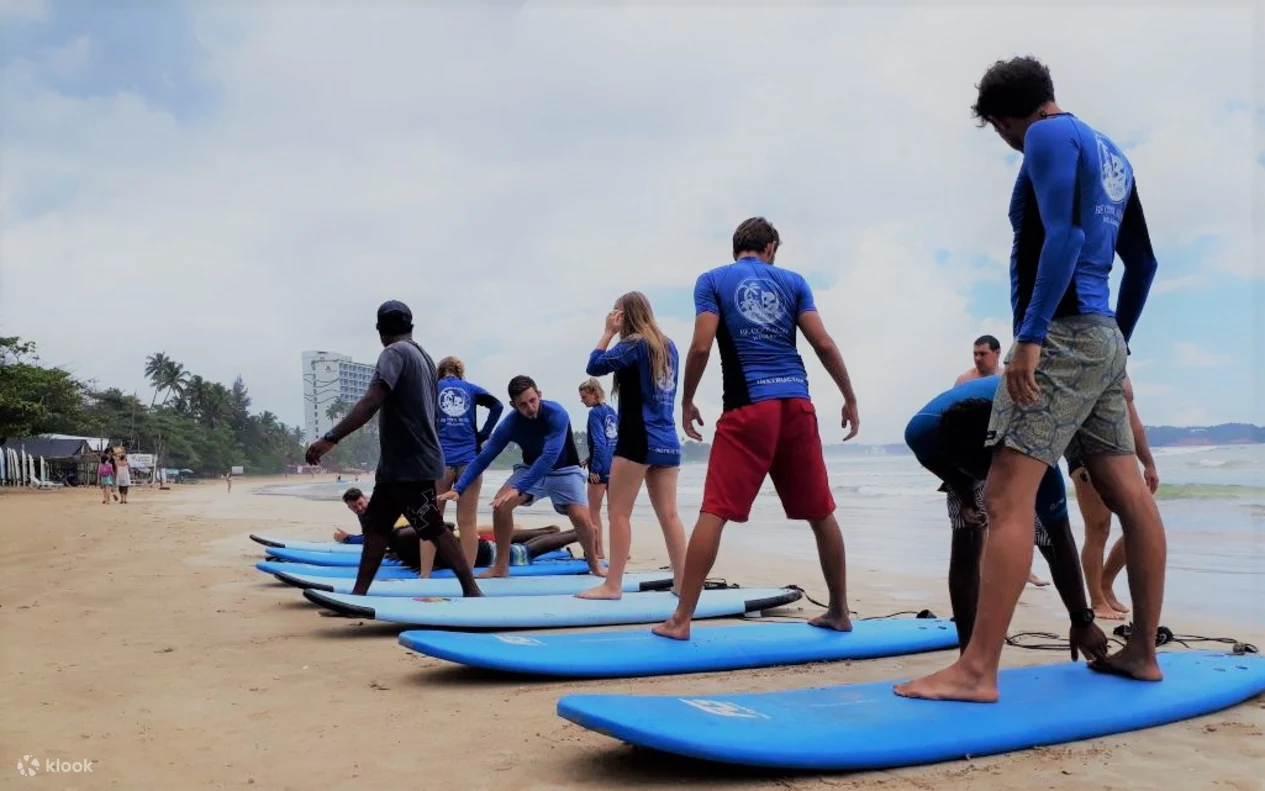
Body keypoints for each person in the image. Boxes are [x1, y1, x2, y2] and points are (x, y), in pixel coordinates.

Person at [896, 56, 1163, 703]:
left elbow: (1064, 235)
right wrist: (1117, 342)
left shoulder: (1045, 135)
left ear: (1003, 118)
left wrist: (1032, 334)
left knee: (1004, 497)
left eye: (998, 130)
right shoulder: (1111, 153)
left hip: (1062, 331)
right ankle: (1142, 653)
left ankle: (976, 671)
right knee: (1129, 494)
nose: (1007, 141)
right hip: (1100, 333)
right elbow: (1143, 263)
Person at [653, 217, 859, 641]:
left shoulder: (713, 280)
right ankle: (839, 611)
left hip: (749, 407)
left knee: (715, 511)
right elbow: (823, 343)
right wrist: (849, 397)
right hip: (797, 404)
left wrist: (686, 400)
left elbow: (701, 345)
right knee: (821, 512)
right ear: (771, 247)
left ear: (736, 248)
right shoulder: (794, 282)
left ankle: (681, 619)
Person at [905, 376, 1109, 658]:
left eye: (988, 472)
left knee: (1049, 537)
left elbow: (1060, 535)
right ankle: (969, 655)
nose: (987, 483)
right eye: (979, 474)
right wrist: (964, 490)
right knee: (966, 538)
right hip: (962, 443)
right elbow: (932, 460)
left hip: (1017, 434)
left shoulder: (1035, 446)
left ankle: (1079, 623)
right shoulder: (921, 433)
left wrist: (1082, 619)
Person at [304, 300, 482, 598]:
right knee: (377, 526)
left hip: (408, 462)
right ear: (410, 326)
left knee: (431, 526)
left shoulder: (394, 353)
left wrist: (330, 438)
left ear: (380, 329)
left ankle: (472, 589)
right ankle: (359, 593)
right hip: (407, 462)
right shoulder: (424, 358)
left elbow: (372, 400)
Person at [576, 292, 687, 600]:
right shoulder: (669, 346)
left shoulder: (635, 344)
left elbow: (594, 365)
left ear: (623, 315)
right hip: (668, 438)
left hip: (638, 438)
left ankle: (612, 585)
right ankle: (683, 584)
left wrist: (608, 332)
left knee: (619, 513)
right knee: (670, 515)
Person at [437, 375, 604, 579]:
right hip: (530, 467)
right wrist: (458, 488)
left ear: (539, 394)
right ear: (513, 405)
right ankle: (501, 566)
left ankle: (595, 564)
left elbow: (549, 457)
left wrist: (518, 487)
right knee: (501, 505)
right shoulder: (510, 425)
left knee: (581, 518)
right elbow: (484, 458)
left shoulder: (556, 414)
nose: (530, 408)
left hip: (564, 470)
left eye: (532, 400)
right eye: (523, 405)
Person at [955, 335, 1050, 588]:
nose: (978, 358)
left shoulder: (1007, 377)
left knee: (1023, 513)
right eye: (975, 354)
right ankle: (985, 573)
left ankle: (1025, 570)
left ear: (997, 353)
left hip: (1005, 452)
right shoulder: (964, 381)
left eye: (983, 354)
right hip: (975, 457)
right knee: (983, 517)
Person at [1071, 373, 1160, 619]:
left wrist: (1149, 464)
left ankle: (1106, 583)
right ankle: (1097, 601)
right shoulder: (1087, 358)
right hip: (1087, 451)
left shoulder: (1121, 368)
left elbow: (1134, 421)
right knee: (1098, 528)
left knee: (1142, 522)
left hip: (1122, 452)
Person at [335, 487, 576, 574]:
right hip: (461, 543)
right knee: (508, 544)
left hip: (468, 547)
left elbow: (438, 530)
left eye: (360, 504)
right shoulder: (394, 535)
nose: (359, 509)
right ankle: (553, 530)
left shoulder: (401, 534)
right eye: (354, 507)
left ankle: (577, 533)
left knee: (520, 552)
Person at [434, 356, 505, 567]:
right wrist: (484, 433)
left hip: (441, 460)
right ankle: (468, 575)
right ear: (460, 371)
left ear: (440, 371)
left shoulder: (433, 388)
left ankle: (425, 574)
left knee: (433, 520)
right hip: (469, 460)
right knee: (467, 523)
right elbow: (497, 406)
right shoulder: (471, 389)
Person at [578, 377, 618, 559]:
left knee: (593, 512)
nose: (582, 400)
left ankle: (598, 551)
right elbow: (612, 441)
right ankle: (621, 551)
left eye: (584, 397)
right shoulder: (611, 411)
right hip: (615, 466)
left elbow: (600, 443)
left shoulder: (594, 414)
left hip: (600, 469)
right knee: (616, 513)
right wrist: (589, 457)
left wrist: (594, 468)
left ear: (594, 394)